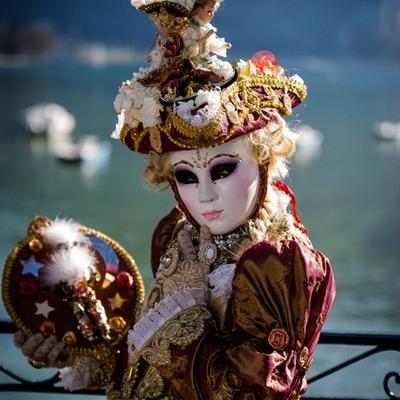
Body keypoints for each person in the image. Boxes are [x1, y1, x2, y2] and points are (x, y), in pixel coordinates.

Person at [11, 0, 336, 399]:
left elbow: (258, 389)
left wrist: (178, 330)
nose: (205, 194)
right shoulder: (179, 237)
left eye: (223, 170)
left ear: (264, 159)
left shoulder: (276, 259)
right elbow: (145, 370)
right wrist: (81, 348)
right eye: (185, 176)